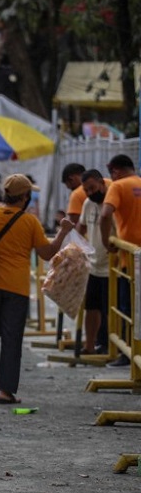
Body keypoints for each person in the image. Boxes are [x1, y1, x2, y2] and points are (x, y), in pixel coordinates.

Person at [0, 174, 72, 403]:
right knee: (11, 338)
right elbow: (47, 253)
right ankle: (6, 391)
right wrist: (63, 231)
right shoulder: (29, 222)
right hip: (16, 288)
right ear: (25, 197)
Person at [99, 154, 141, 367]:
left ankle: (129, 353)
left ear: (115, 171)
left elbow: (105, 214)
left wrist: (107, 242)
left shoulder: (117, 186)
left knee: (127, 308)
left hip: (130, 258)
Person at [79, 169, 110, 354]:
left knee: (109, 310)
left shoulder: (112, 201)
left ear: (101, 183)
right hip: (93, 265)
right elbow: (81, 227)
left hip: (111, 267)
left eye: (92, 188)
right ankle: (89, 345)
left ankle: (109, 345)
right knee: (91, 307)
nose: (90, 193)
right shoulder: (87, 204)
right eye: (86, 190)